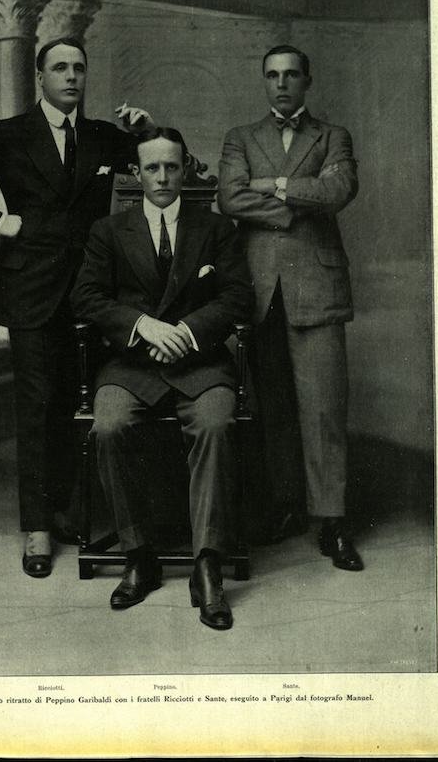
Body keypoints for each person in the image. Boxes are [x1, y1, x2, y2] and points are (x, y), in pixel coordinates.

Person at [0, 36, 151, 578]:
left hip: (92, 290)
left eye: (79, 68)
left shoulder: (103, 137)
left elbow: (166, 162)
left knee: (78, 401)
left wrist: (147, 132)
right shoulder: (8, 135)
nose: (71, 76)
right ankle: (38, 527)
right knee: (37, 405)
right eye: (60, 68)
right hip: (31, 288)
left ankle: (69, 511)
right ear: (40, 77)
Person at [70, 127, 254, 629]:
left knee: (216, 424)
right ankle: (139, 555)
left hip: (199, 362)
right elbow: (86, 297)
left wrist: (187, 332)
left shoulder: (216, 228)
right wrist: (141, 325)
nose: (162, 177)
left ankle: (206, 564)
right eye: (152, 167)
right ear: (136, 173)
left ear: (185, 168)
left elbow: (238, 298)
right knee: (109, 426)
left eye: (172, 166)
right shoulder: (109, 230)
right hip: (132, 363)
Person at [217, 44, 363, 571]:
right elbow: (229, 198)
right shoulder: (241, 137)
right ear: (264, 81)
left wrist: (274, 185)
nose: (281, 84)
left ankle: (332, 522)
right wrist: (295, 203)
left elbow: (338, 190)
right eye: (272, 75)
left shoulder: (333, 136)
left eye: (290, 75)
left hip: (317, 289)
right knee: (273, 410)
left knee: (323, 409)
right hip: (260, 292)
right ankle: (287, 509)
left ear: (306, 81)